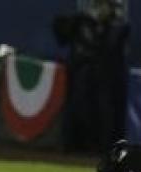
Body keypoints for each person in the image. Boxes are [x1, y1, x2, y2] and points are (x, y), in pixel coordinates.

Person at [53, 0, 129, 152]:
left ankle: (102, 148)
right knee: (76, 110)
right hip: (80, 76)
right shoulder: (82, 23)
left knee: (104, 114)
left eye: (104, 6)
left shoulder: (118, 28)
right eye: (98, 5)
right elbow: (60, 34)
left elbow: (109, 49)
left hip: (105, 80)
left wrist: (102, 27)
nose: (100, 9)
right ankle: (73, 145)